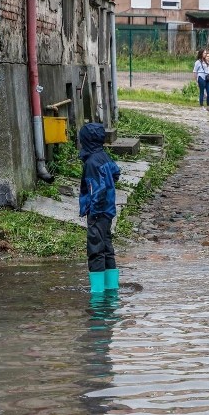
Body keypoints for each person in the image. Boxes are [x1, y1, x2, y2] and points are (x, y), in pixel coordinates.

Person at [78, 122, 122, 294]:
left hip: (98, 212)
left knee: (95, 249)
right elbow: (116, 172)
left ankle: (97, 292)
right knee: (106, 247)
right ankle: (111, 288)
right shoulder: (103, 156)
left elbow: (96, 189)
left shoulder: (91, 163)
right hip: (108, 211)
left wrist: (93, 211)